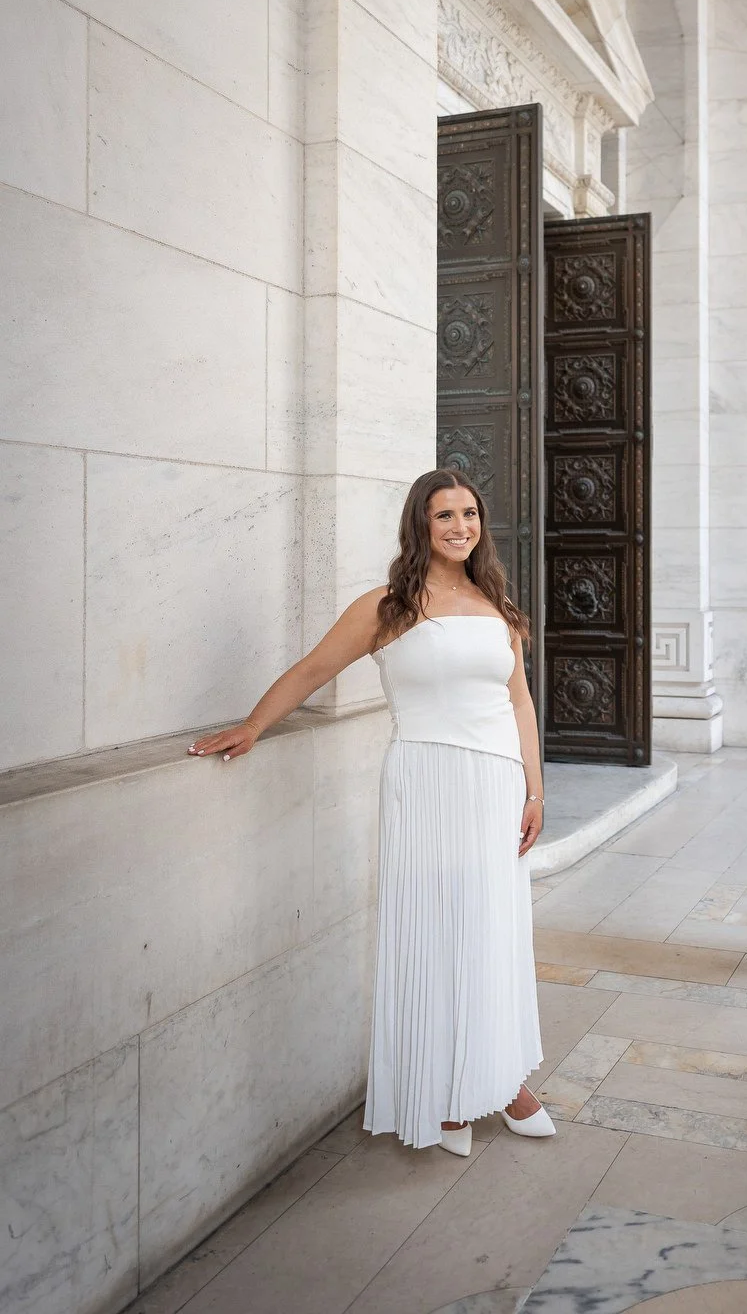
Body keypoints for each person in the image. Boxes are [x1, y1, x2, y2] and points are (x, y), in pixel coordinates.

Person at [188, 468, 554, 1156]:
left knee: (489, 932)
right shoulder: (389, 605)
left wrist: (534, 791)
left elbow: (520, 704)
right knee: (434, 930)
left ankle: (503, 1081)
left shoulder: (495, 602)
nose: (459, 527)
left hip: (496, 787)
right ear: (421, 524)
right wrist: (254, 726)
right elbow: (310, 671)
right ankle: (442, 1091)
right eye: (444, 515)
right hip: (424, 783)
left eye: (469, 514)